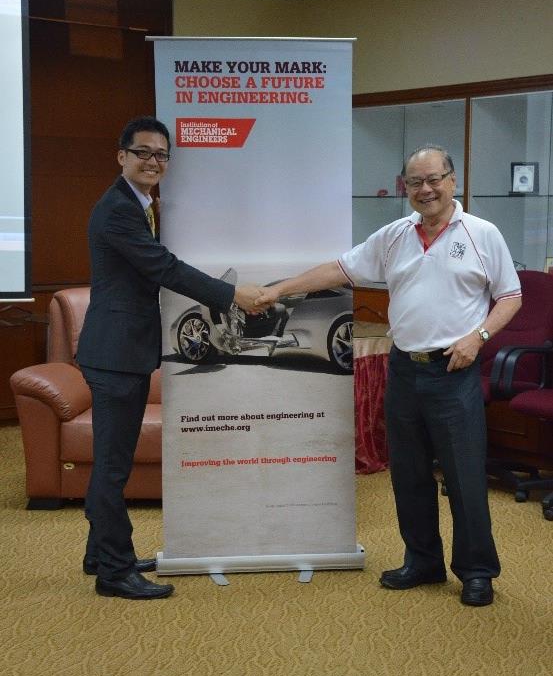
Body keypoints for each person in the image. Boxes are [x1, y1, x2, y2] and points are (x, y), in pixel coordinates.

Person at [256, 145, 521, 607]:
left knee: (463, 477)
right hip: (404, 368)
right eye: (416, 182)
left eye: (434, 179)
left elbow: (511, 297)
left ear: (453, 181)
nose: (426, 189)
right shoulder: (395, 235)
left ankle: (477, 571)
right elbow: (340, 268)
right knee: (409, 473)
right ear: (406, 189)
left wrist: (477, 336)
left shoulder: (483, 234)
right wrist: (278, 289)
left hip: (453, 371)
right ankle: (423, 561)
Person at [77, 116, 267, 600]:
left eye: (161, 155)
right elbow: (163, 268)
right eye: (142, 152)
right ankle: (114, 572)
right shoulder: (120, 210)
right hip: (116, 354)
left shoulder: (138, 205)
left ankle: (102, 551)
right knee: (113, 466)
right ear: (121, 155)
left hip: (120, 350)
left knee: (110, 461)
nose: (153, 161)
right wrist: (231, 296)